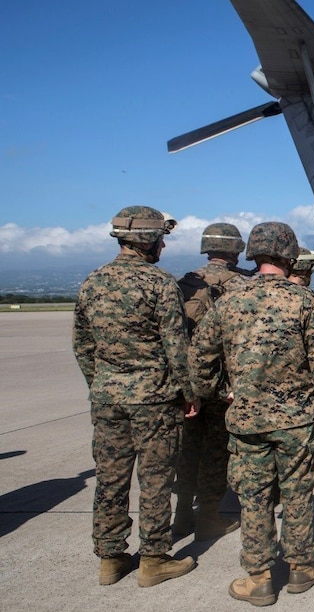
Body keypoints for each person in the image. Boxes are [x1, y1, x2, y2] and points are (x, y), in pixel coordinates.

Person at [190, 222, 314, 606]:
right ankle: (301, 568)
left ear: (254, 254)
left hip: (246, 420)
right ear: (289, 254)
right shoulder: (304, 301)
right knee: (297, 494)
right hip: (296, 421)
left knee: (254, 498)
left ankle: (259, 577)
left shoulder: (229, 300)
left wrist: (220, 392)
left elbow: (198, 359)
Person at [72, 205, 200, 588]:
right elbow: (176, 347)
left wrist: (103, 384)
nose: (163, 245)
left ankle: (110, 559)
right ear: (149, 240)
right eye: (161, 238)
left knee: (110, 479)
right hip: (155, 399)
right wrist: (188, 393)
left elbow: (82, 345)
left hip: (107, 398)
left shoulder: (92, 282)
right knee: (156, 478)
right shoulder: (159, 284)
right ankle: (154, 558)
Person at [172, 223, 252, 540]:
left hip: (187, 382)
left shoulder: (184, 284)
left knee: (188, 450)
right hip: (224, 384)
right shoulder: (245, 286)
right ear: (236, 249)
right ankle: (208, 516)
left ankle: (181, 516)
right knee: (217, 452)